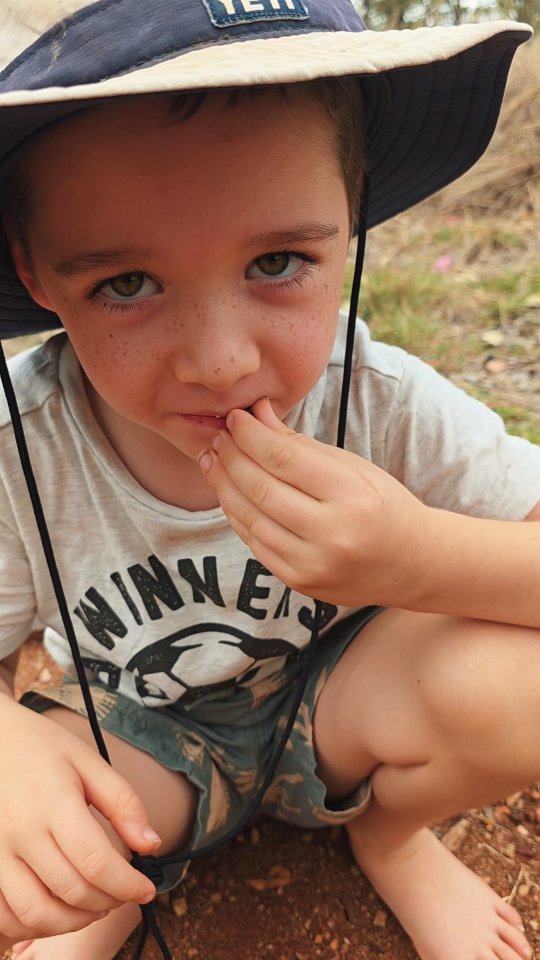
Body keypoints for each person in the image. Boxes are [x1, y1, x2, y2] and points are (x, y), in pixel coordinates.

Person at [0, 2, 538, 959]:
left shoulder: (379, 400)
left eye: (279, 262)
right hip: (140, 733)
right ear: (34, 269)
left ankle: (391, 836)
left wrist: (414, 557)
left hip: (344, 710)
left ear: (353, 219)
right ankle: (115, 877)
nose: (217, 361)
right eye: (125, 284)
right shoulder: (22, 448)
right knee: (37, 858)